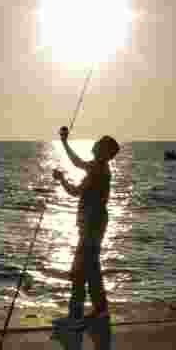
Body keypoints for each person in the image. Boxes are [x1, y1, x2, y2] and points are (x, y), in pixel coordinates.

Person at [53, 126, 118, 319]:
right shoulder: (98, 167)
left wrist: (61, 179)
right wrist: (64, 143)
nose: (95, 144)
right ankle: (91, 309)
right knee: (88, 265)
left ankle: (81, 311)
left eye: (99, 144)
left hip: (93, 222)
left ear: (104, 152)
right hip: (92, 222)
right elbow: (78, 164)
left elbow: (75, 190)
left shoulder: (98, 168)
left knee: (84, 266)